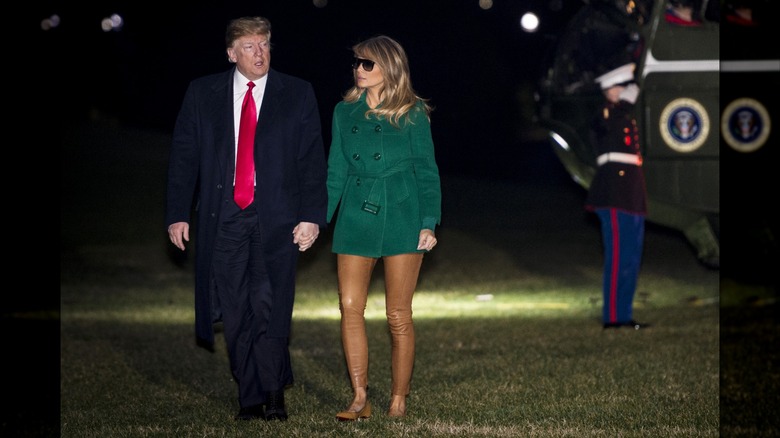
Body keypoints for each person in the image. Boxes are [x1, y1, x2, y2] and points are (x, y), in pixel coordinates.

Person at [165, 16, 327, 421]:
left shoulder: (297, 93)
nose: (260, 53)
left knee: (267, 303)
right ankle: (249, 395)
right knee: (235, 308)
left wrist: (311, 216)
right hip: (225, 217)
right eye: (251, 46)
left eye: (266, 44)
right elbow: (184, 158)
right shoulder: (204, 93)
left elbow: (311, 161)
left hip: (277, 217)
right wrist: (176, 214)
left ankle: (272, 393)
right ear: (231, 53)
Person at [326, 35, 441, 420]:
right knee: (350, 307)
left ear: (389, 67)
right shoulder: (344, 113)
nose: (359, 70)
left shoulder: (413, 113)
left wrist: (428, 222)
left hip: (402, 215)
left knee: (398, 315)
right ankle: (360, 397)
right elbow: (335, 172)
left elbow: (427, 172)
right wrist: (317, 220)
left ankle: (398, 399)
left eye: (367, 64)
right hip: (356, 215)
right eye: (356, 63)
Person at [587, 62, 649, 330]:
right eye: (620, 88)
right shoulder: (606, 113)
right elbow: (605, 128)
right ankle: (612, 317)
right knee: (617, 257)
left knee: (632, 256)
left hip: (631, 192)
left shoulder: (625, 114)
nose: (624, 93)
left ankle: (624, 314)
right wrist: (624, 102)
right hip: (612, 193)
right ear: (609, 90)